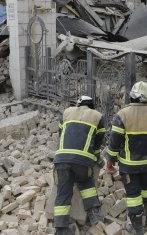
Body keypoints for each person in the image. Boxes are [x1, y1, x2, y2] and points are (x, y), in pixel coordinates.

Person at [106, 81, 147, 235]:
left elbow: (114, 142)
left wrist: (110, 160)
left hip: (128, 165)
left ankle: (137, 227)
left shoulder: (122, 115)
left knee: (133, 195)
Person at [53, 96, 105, 235]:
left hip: (61, 158)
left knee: (63, 191)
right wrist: (97, 159)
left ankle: (61, 228)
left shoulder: (66, 112)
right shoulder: (97, 116)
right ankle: (94, 215)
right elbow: (98, 143)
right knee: (86, 183)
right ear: (91, 106)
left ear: (78, 104)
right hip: (83, 160)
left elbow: (61, 134)